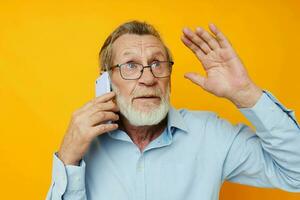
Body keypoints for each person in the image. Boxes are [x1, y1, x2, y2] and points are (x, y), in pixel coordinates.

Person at [46, 20, 300, 200]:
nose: (148, 78)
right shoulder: (83, 145)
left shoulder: (211, 135)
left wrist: (245, 92)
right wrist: (68, 159)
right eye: (131, 66)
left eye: (157, 63)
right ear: (106, 81)